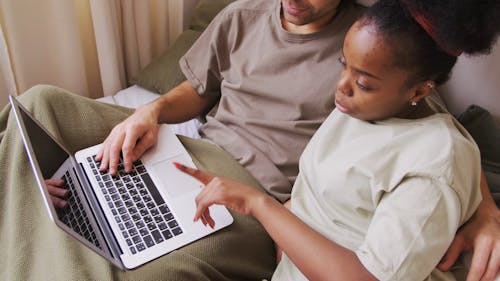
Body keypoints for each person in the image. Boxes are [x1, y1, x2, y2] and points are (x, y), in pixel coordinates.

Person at [0, 0, 498, 280]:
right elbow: (196, 90)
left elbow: (440, 133)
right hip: (189, 148)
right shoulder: (243, 15)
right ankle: (32, 211)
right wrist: (149, 113)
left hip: (256, 195)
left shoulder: (375, 45)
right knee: (40, 105)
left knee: (138, 261)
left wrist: (485, 211)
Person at [172, 0, 499, 279]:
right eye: (344, 66)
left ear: (419, 90)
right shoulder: (361, 108)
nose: (341, 86)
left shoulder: (431, 163)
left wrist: (261, 206)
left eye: (364, 82)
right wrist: (290, 216)